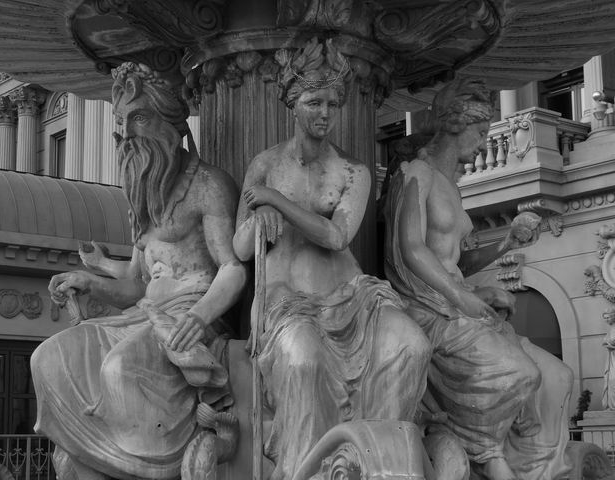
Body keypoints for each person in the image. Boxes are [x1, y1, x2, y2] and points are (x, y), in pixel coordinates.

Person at [31, 62, 247, 480]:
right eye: (121, 122)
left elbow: (233, 269)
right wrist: (89, 280)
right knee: (50, 357)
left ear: (173, 124)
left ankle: (145, 469)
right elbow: (136, 286)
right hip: (142, 316)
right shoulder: (142, 196)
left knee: (119, 368)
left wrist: (199, 316)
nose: (127, 133)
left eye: (139, 118)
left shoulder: (208, 185)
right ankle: (93, 463)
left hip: (189, 321)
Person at [233, 38, 431, 480]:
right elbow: (242, 249)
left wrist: (276, 202)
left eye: (333, 104)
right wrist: (257, 217)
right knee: (303, 358)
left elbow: (337, 236)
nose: (325, 113)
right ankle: (305, 472)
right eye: (314, 102)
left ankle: (379, 463)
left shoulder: (354, 171)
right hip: (288, 302)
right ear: (292, 104)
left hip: (353, 297)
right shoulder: (265, 165)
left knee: (412, 345)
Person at [384, 78, 573, 480]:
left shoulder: (451, 187)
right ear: (455, 124)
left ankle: (537, 468)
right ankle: (484, 451)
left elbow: (456, 261)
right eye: (482, 131)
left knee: (559, 376)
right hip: (431, 311)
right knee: (521, 373)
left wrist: (505, 243)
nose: (485, 143)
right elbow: (411, 247)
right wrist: (460, 295)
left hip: (461, 309)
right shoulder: (416, 173)